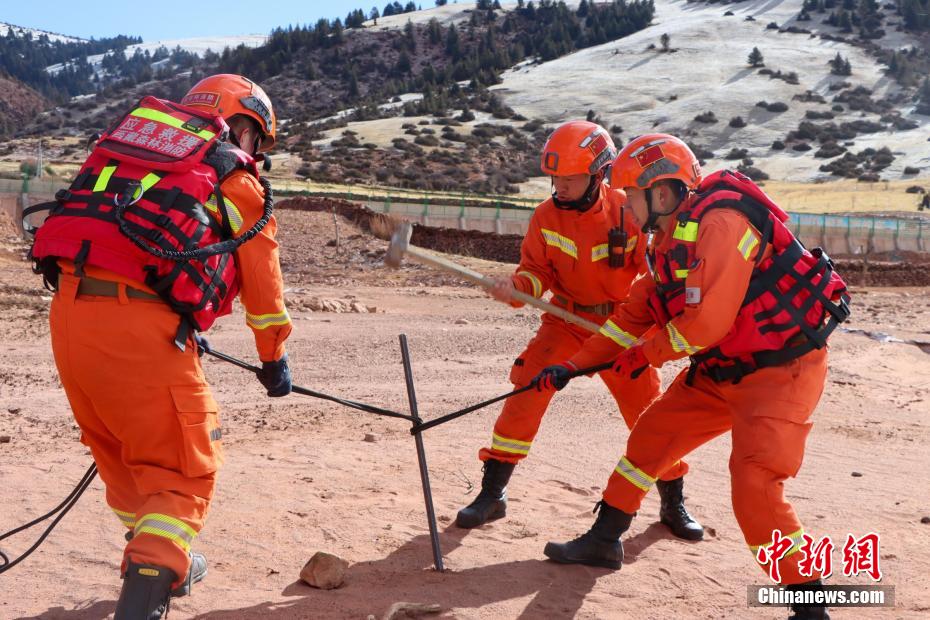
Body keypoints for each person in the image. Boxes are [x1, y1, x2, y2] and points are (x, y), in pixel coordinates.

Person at [537, 134, 850, 620]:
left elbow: (706, 324)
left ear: (660, 193)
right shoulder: (668, 238)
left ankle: (810, 606)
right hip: (722, 369)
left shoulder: (723, 223)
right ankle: (604, 540)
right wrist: (572, 366)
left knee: (755, 487)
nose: (625, 206)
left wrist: (647, 356)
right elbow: (634, 314)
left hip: (780, 373)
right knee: (650, 438)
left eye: (631, 197)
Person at [29, 74, 292, 619]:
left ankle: (168, 558)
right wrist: (273, 360)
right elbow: (264, 295)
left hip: (69, 318)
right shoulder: (233, 179)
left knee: (122, 452)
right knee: (182, 471)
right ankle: (152, 573)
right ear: (243, 125)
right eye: (257, 140)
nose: (255, 153)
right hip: (140, 330)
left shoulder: (125, 156)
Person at [455, 121, 703, 541]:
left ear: (599, 174)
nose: (562, 187)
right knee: (525, 394)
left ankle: (672, 501)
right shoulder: (546, 217)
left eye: (571, 178)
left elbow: (655, 272)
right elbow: (535, 274)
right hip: (565, 321)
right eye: (556, 178)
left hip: (622, 325)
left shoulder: (631, 209)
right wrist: (517, 288)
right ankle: (492, 494)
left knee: (649, 413)